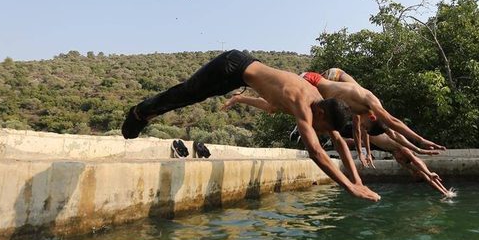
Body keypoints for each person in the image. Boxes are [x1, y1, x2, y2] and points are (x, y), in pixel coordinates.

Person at [122, 50, 380, 201]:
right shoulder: (303, 102)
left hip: (240, 74)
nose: (320, 131)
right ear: (321, 112)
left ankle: (146, 112)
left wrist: (357, 179)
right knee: (189, 92)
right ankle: (141, 112)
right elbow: (315, 151)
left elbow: (337, 142)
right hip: (232, 66)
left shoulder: (323, 105)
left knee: (194, 95)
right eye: (322, 127)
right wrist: (348, 187)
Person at [300, 68, 446, 159]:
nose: (365, 129)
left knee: (325, 123)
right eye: (367, 127)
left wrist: (418, 149)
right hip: (329, 77)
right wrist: (420, 139)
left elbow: (393, 134)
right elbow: (392, 121)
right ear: (372, 118)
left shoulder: (358, 113)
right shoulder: (369, 101)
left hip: (321, 89)